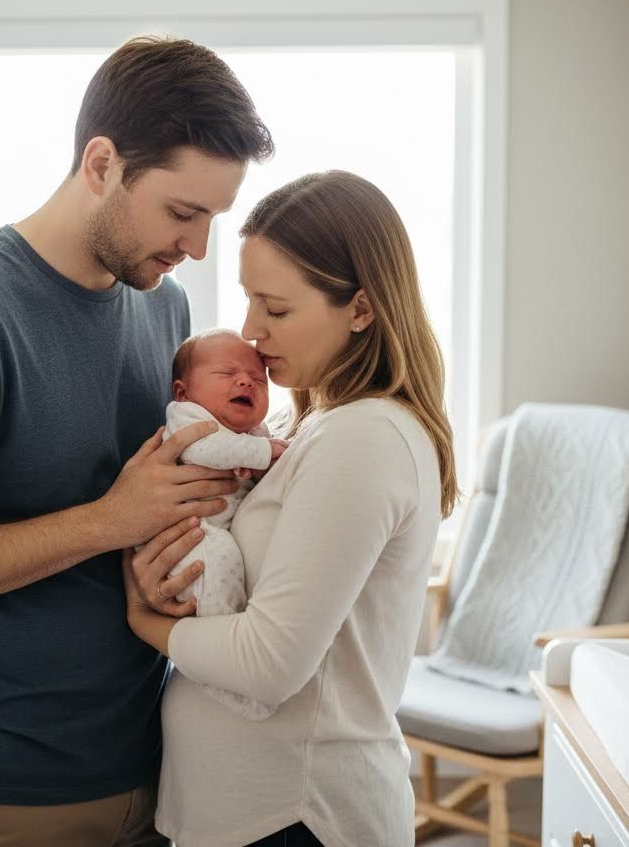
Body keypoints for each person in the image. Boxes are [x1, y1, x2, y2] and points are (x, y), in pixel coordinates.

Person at [0, 36, 272, 847]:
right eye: (183, 213)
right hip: (14, 784)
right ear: (102, 163)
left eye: (210, 219)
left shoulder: (163, 308)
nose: (196, 248)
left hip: (159, 755)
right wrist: (107, 521)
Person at [123, 171, 458, 847]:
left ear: (360, 310)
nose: (251, 331)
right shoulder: (309, 427)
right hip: (256, 812)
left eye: (275, 310)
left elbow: (268, 663)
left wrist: (144, 621)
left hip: (298, 815)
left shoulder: (364, 437)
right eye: (249, 301)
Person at [158, 328, 289, 719]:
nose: (246, 380)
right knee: (217, 558)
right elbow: (202, 449)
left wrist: (265, 452)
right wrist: (265, 452)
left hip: (211, 528)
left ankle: (231, 647)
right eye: (227, 373)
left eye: (259, 379)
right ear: (183, 391)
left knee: (229, 567)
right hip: (186, 537)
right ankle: (226, 675)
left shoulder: (254, 433)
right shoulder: (188, 417)